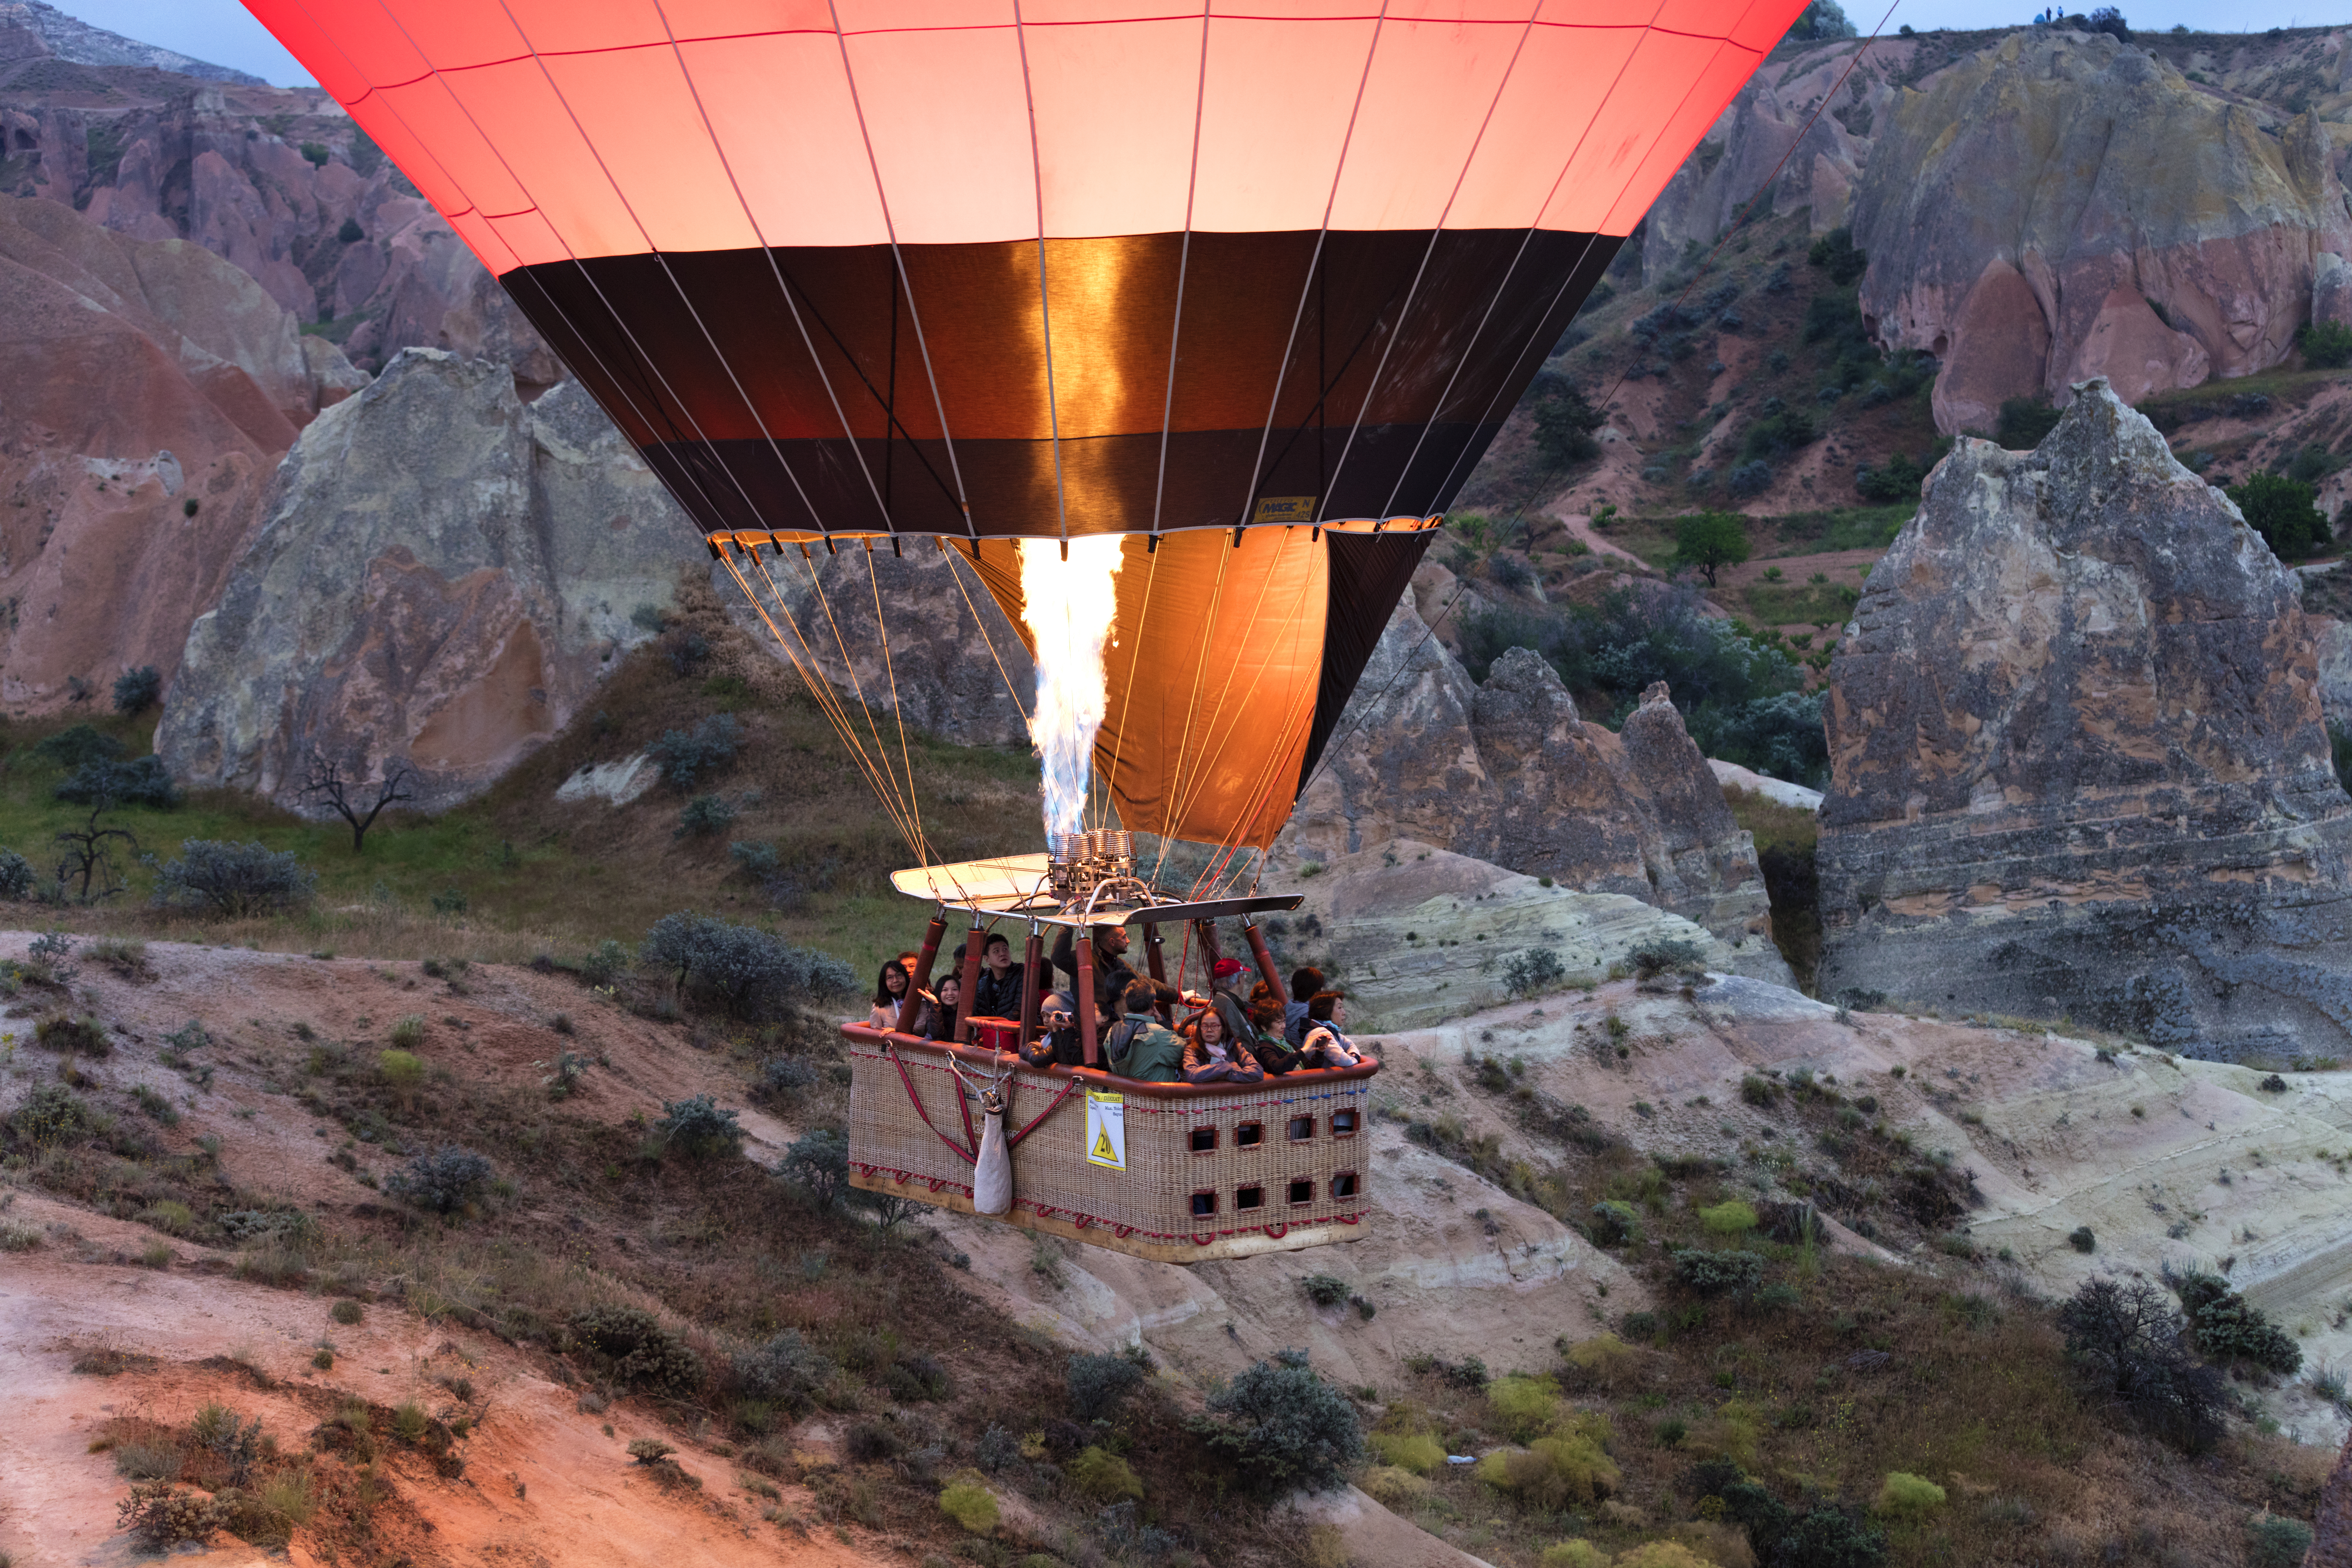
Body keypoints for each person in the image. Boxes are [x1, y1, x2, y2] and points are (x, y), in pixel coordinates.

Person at [1052, 923, 1180, 1021]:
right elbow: (1059, 958)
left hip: (1115, 1024)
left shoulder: (1119, 964)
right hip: (1093, 1030)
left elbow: (1145, 982)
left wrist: (1178, 996)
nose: (1128, 941)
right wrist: (1068, 926)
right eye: (1124, 937)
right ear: (1112, 942)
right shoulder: (1085, 961)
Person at [1104, 978, 1184, 1083]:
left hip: (1128, 1095)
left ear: (1127, 1004)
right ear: (1153, 1005)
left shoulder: (1113, 1030)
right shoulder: (1158, 1033)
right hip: (1157, 1096)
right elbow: (1182, 1052)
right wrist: (1164, 1025)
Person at [1181, 1004, 1264, 1083]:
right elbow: (1192, 1075)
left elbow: (1257, 1071)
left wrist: (1225, 1076)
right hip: (1204, 1098)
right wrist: (1227, 1066)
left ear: (1224, 1029)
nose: (1209, 1030)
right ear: (1200, 1029)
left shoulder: (1236, 1047)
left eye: (1215, 1026)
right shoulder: (1192, 1050)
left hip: (1232, 1097)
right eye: (1205, 1026)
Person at [1298, 990, 1371, 1069]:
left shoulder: (1327, 1029)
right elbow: (1346, 1062)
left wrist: (1352, 1055)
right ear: (1326, 1012)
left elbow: (1350, 1045)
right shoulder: (1321, 1033)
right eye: (1340, 1008)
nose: (1344, 1012)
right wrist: (1355, 1058)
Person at [1020, 990, 1086, 1069]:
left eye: (1050, 1016)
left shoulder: (1065, 1038)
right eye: (1044, 1016)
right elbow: (1023, 1050)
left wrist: (1033, 1047)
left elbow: (1037, 1059)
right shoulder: (1049, 1036)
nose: (1046, 1021)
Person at [972, 931, 1025, 1021]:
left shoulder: (1022, 973)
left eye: (1005, 949)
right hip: (992, 1031)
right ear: (987, 959)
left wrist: (1001, 1030)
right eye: (996, 951)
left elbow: (1020, 1008)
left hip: (1015, 1030)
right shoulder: (983, 984)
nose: (1002, 954)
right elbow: (978, 1014)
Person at [1284, 966, 1327, 1048]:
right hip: (1307, 1058)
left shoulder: (1285, 1009)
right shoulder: (1310, 1016)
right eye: (1322, 987)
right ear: (1315, 991)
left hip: (1293, 1056)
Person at [927, 972, 965, 1042]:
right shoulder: (935, 1013)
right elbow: (936, 1034)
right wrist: (935, 1004)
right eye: (945, 990)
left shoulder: (966, 1012)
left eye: (955, 989)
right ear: (939, 992)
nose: (950, 993)